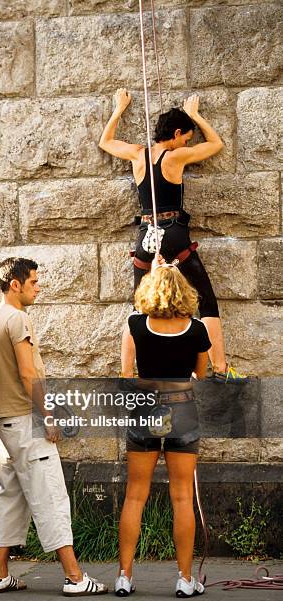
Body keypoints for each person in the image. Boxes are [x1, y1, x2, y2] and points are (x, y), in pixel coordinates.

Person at [0, 257, 108, 596]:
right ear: (15, 284)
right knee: (50, 494)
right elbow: (27, 374)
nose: (38, 287)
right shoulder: (18, 317)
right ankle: (75, 577)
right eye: (33, 282)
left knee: (13, 496)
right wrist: (48, 417)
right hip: (24, 420)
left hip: (1, 423)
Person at [99, 89, 246, 383]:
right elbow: (217, 144)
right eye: (186, 137)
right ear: (177, 133)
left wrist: (119, 108)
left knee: (139, 307)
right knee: (205, 301)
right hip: (173, 235)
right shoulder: (176, 156)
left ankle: (128, 373)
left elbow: (105, 142)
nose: (187, 143)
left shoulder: (137, 154)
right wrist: (196, 115)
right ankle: (219, 368)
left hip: (145, 237)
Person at [115, 255, 209, 598]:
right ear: (184, 292)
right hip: (183, 411)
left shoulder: (134, 325)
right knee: (183, 497)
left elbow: (126, 375)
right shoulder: (197, 329)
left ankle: (124, 576)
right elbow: (201, 375)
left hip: (145, 411)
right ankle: (185, 579)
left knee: (135, 495)